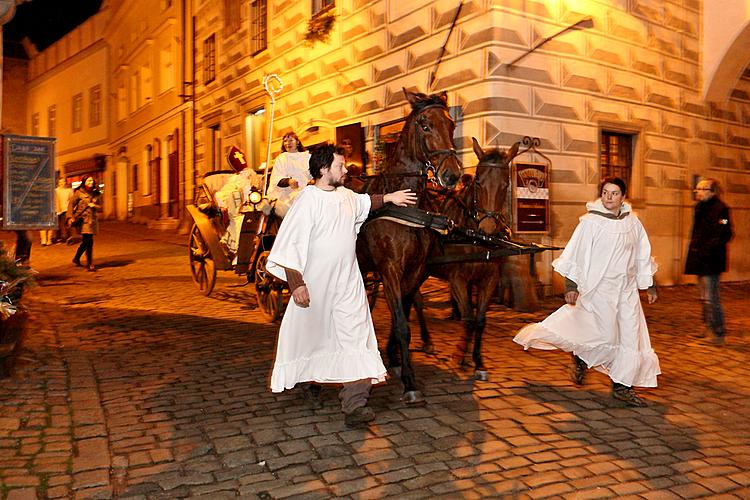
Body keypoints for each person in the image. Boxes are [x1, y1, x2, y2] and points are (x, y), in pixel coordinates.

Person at [266, 144, 417, 427]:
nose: (345, 170)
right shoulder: (307, 200)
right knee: (314, 339)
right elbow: (290, 245)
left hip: (348, 285)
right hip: (315, 288)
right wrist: (297, 284)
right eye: (340, 166)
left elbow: (367, 202)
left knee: (356, 337)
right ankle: (311, 380)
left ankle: (355, 405)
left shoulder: (347, 196)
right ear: (324, 170)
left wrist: (391, 197)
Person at [513, 177, 660, 407]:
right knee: (600, 333)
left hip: (627, 291)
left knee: (630, 337)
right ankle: (581, 358)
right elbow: (576, 254)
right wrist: (571, 286)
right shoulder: (590, 223)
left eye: (614, 193)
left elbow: (642, 254)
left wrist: (648, 284)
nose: (609, 197)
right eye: (605, 192)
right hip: (598, 289)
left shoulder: (633, 222)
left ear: (623, 197)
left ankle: (622, 387)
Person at [684, 178, 733, 344]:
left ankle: (718, 332)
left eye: (702, 189)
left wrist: (708, 249)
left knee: (712, 297)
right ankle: (707, 328)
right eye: (697, 189)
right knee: (704, 297)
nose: (697, 192)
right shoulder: (699, 207)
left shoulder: (721, 209)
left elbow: (725, 233)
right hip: (700, 259)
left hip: (711, 261)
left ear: (711, 191)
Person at [266, 132, 311, 217]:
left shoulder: (307, 157)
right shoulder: (281, 158)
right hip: (286, 194)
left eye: (291, 140)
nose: (288, 143)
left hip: (305, 192)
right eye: (285, 141)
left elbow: (313, 174)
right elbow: (276, 178)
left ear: (297, 142)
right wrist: (288, 181)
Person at [67, 176, 101, 272]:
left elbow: (100, 206)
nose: (91, 181)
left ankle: (77, 258)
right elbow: (71, 204)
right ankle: (90, 263)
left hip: (92, 220)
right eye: (89, 180)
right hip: (83, 220)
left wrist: (95, 205)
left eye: (92, 180)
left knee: (86, 241)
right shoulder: (79, 193)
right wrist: (70, 216)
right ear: (84, 182)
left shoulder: (96, 193)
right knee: (89, 241)